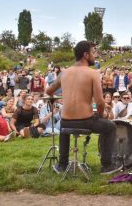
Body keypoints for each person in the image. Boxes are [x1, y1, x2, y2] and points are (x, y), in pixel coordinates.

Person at [46, 41, 122, 175]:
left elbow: (49, 91)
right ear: (86, 55)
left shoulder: (64, 73)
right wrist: (100, 114)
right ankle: (107, 165)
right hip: (85, 120)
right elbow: (100, 102)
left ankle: (62, 165)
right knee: (110, 127)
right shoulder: (92, 73)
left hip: (66, 120)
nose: (95, 55)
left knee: (64, 125)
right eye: (93, 52)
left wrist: (55, 97)